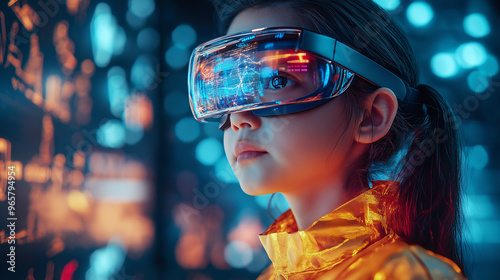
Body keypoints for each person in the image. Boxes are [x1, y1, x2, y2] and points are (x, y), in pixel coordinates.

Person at [187, 0, 468, 279]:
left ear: (372, 116)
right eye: (227, 92)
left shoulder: (408, 275)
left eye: (278, 81)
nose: (238, 117)